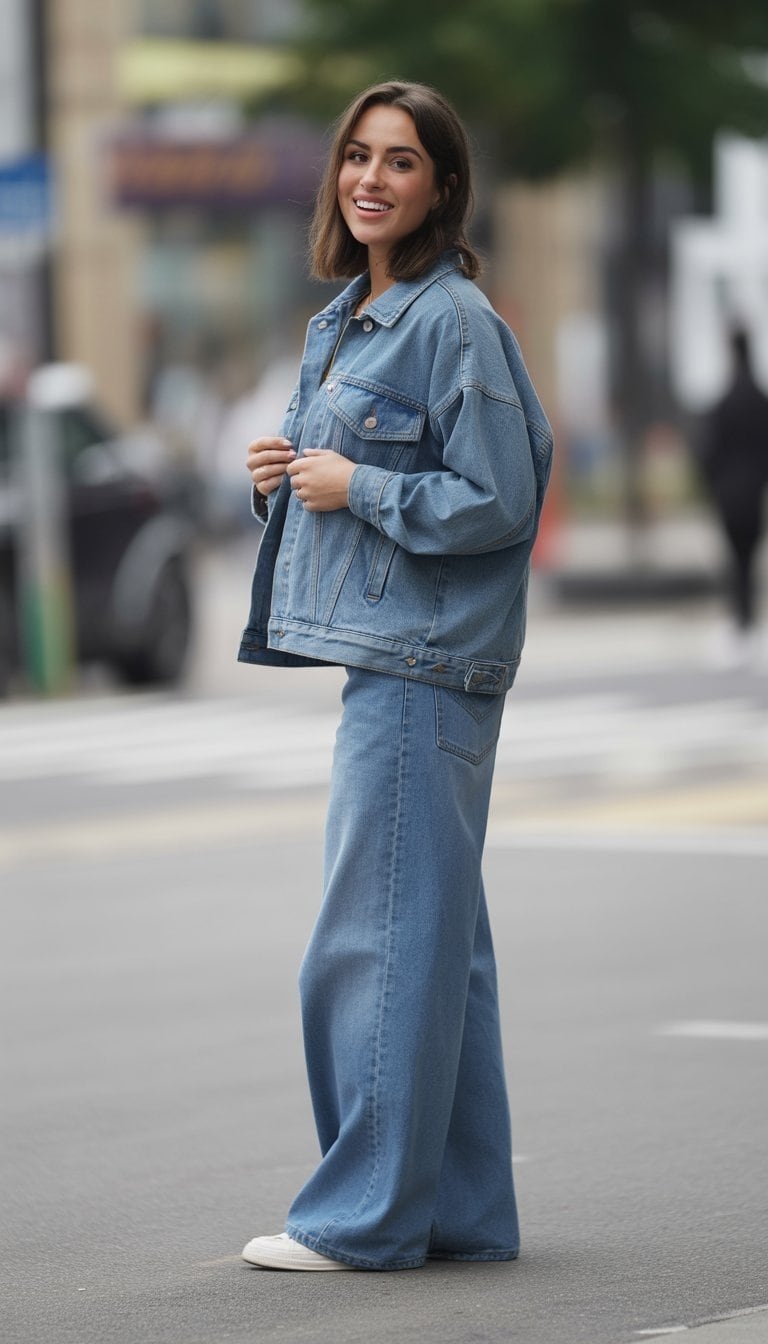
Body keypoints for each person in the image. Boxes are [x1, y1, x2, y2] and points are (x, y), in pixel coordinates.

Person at [238, 81, 553, 1272]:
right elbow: (342, 477)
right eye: (359, 156)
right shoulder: (347, 320)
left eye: (402, 161)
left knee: (371, 943)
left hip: (424, 665)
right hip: (396, 656)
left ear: (444, 187)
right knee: (435, 948)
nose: (372, 178)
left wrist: (357, 485)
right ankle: (460, 1213)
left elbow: (500, 497)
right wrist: (284, 475)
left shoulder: (452, 320)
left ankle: (362, 1219)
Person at [698, 327, 768, 667]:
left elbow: (708, 451)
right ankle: (748, 620)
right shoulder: (760, 400)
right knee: (749, 561)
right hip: (754, 495)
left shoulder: (724, 402)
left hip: (728, 496)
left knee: (734, 561)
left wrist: (712, 486)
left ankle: (741, 622)